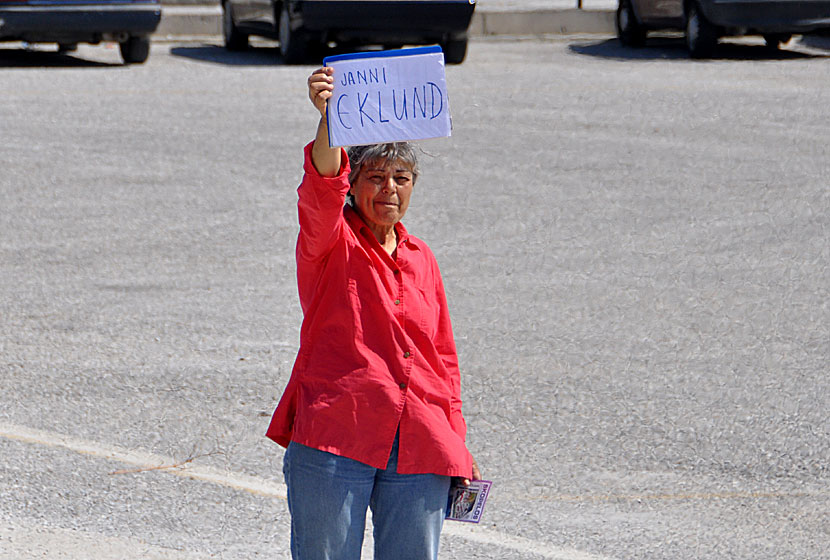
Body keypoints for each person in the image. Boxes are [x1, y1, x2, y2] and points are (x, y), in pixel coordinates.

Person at [266, 66, 480, 560]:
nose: (388, 189)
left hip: (422, 441)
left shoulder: (422, 257)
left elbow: (443, 362)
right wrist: (329, 119)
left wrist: (456, 442)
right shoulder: (330, 242)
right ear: (353, 184)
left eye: (400, 178)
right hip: (337, 435)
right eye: (375, 177)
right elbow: (321, 184)